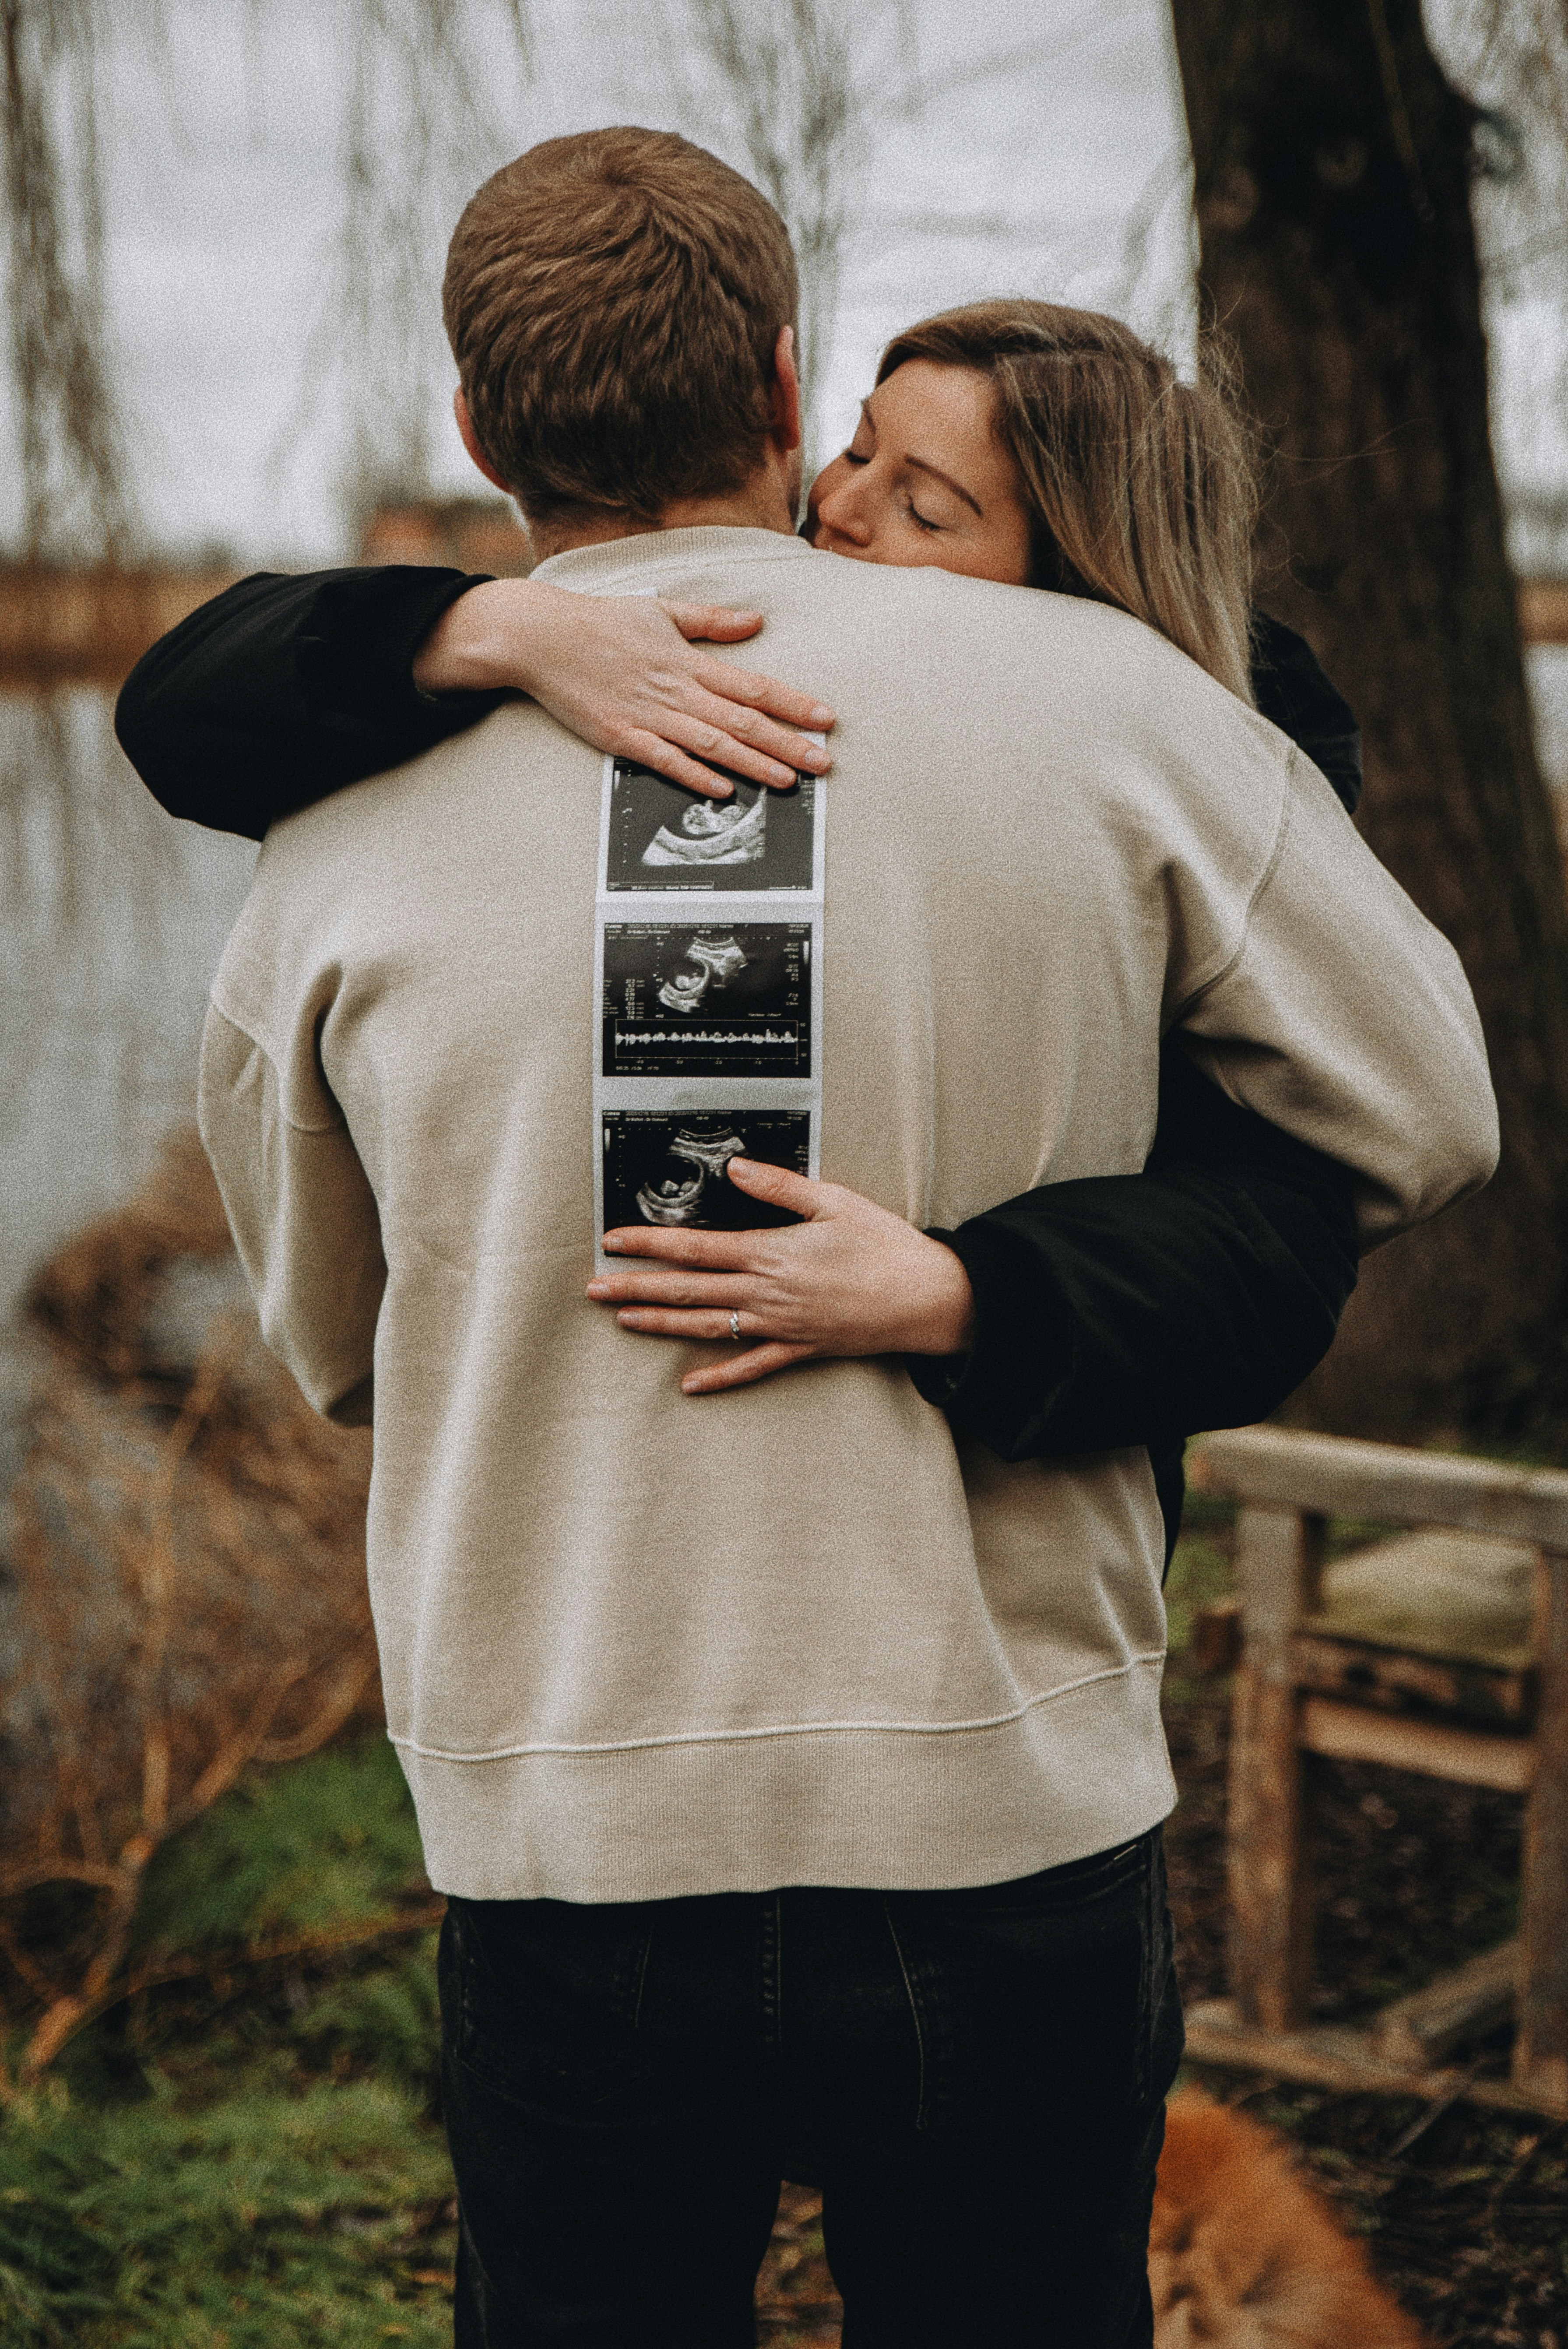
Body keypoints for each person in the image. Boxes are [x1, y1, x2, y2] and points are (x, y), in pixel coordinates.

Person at [182, 129, 1496, 2348]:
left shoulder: (325, 838)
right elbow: (1423, 1108)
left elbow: (340, 1344)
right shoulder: (1120, 708)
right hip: (998, 1803)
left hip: (570, 1820)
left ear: (478, 424)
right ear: (790, 381)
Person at [117, 329, 1366, 1561]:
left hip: (1005, 1569)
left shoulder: (1202, 753)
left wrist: (976, 1294)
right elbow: (182, 707)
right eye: (856, 448)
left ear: (1083, 583)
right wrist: (491, 630)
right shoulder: (712, 655)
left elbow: (1283, 1242)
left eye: (924, 509)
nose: (836, 509)